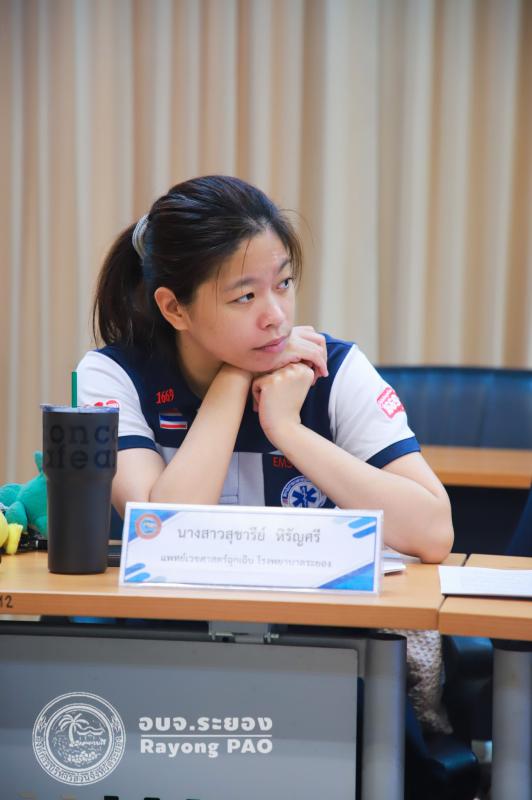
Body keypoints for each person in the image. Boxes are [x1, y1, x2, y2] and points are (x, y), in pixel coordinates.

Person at [77, 174, 453, 562]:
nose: (276, 316)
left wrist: (287, 428)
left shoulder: (333, 368)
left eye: (284, 283)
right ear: (174, 308)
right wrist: (234, 377)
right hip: (176, 605)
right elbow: (161, 538)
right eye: (245, 296)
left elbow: (434, 533)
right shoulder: (113, 376)